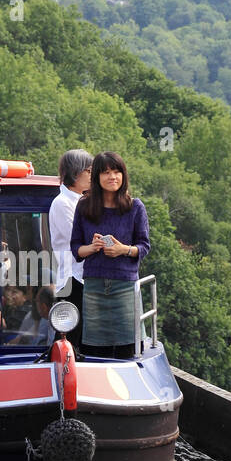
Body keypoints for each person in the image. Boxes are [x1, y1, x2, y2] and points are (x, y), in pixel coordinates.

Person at [69, 151, 150, 359]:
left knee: (128, 350)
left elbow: (144, 246)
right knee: (94, 351)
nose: (112, 177)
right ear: (96, 177)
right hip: (94, 288)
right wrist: (93, 247)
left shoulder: (135, 207)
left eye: (116, 171)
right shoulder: (84, 206)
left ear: (123, 175)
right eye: (106, 172)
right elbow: (76, 248)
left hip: (125, 288)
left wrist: (123, 249)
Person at [48, 148, 93, 350]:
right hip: (72, 279)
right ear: (76, 173)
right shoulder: (63, 203)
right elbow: (79, 240)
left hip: (83, 278)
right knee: (70, 341)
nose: (93, 176)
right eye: (90, 171)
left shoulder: (82, 201)